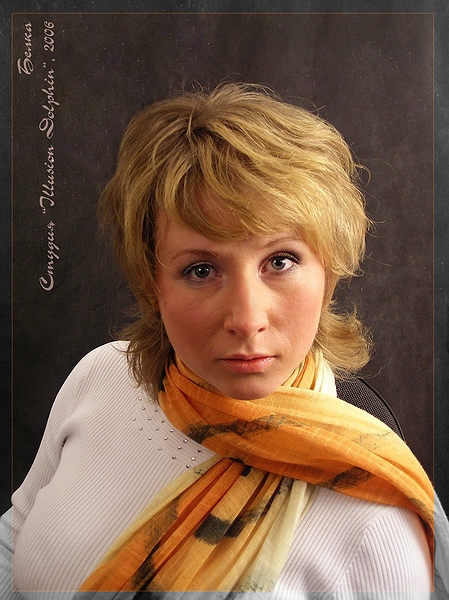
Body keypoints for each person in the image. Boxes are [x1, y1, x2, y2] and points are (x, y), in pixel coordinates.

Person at [1, 83, 448, 599]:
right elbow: (15, 536)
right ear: (152, 282)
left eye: (280, 261)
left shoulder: (377, 526)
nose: (247, 319)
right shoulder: (99, 377)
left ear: (328, 270)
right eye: (201, 270)